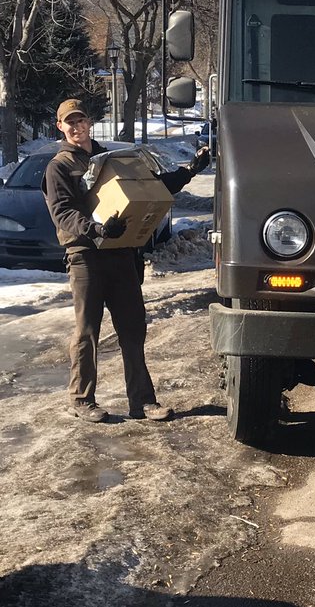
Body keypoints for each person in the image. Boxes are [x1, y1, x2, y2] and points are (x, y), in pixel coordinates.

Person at [42, 97, 211, 424]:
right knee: (87, 330)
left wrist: (190, 170)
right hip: (85, 255)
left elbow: (152, 187)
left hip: (120, 253)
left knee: (133, 328)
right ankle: (81, 399)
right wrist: (96, 229)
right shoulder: (60, 167)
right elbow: (62, 212)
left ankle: (143, 402)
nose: (77, 127)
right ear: (60, 127)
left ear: (89, 123)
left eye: (81, 120)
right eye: (70, 122)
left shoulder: (113, 160)